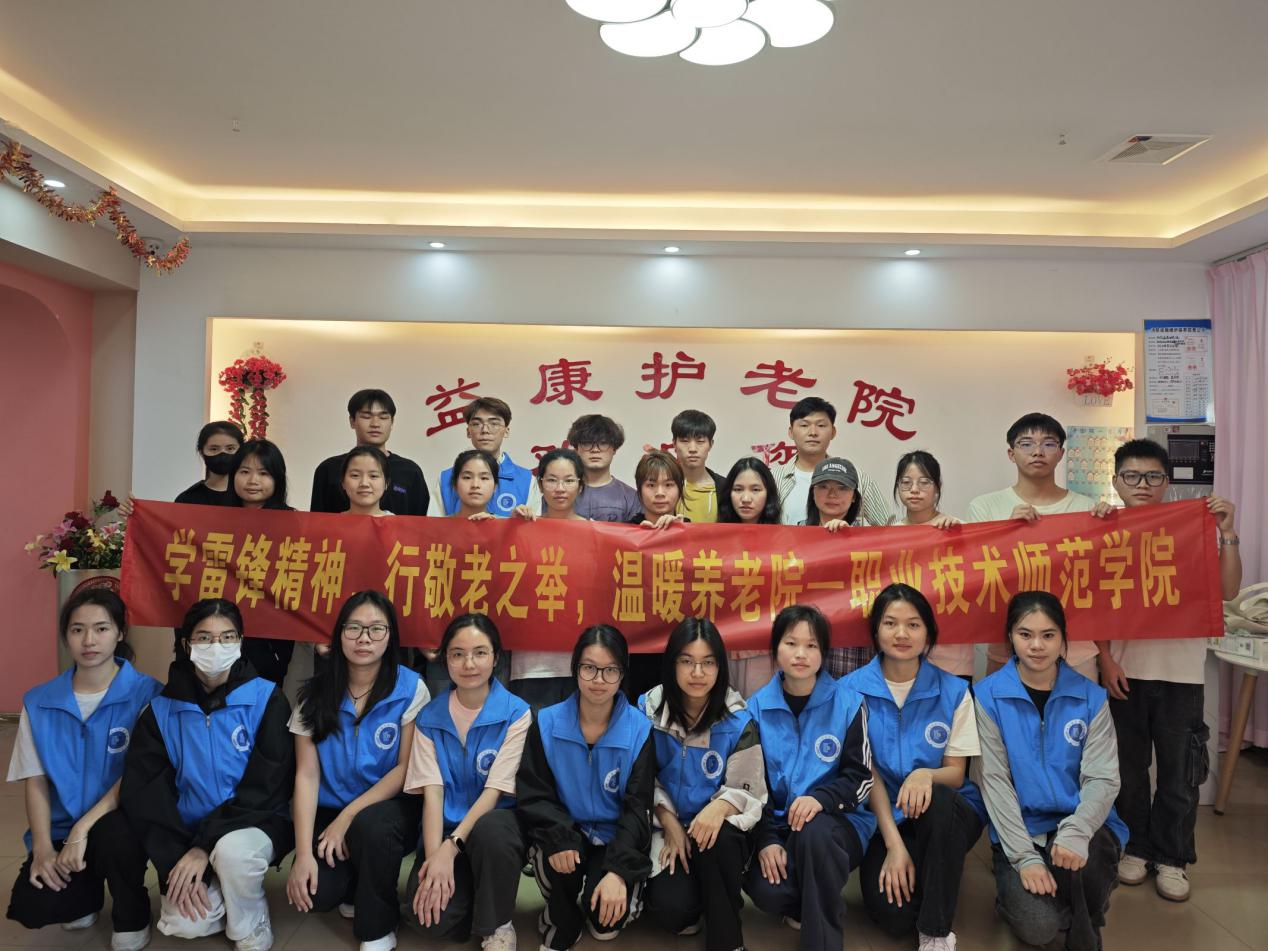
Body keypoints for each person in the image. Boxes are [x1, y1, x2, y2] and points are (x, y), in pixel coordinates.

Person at [1093, 439, 1241, 901]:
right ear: (1116, 481)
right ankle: (1136, 847)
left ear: (1167, 482)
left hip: (1182, 675)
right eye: (1132, 476)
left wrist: (1227, 532)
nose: (1143, 484)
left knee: (1180, 775)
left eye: (1153, 476)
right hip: (1125, 672)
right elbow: (1093, 602)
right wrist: (1106, 658)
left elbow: (1229, 591)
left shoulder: (1191, 529)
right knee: (1130, 770)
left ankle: (1174, 857)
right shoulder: (1106, 530)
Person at [120, 598, 294, 951]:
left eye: (228, 637)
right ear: (187, 644)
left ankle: (250, 919)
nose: (217, 647)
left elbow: (268, 785)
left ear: (241, 642)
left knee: (232, 853)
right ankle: (222, 893)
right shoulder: (161, 710)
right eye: (204, 638)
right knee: (183, 924)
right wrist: (175, 859)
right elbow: (147, 794)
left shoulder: (266, 698)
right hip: (188, 833)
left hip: (256, 822)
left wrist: (205, 846)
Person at [5, 589, 162, 951]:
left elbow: (137, 775)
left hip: (121, 821)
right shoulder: (40, 701)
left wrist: (83, 827)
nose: (89, 640)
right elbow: (36, 780)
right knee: (34, 907)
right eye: (77, 630)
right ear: (66, 636)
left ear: (120, 633)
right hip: (63, 827)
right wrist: (43, 848)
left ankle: (132, 914)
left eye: (101, 628)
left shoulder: (148, 694)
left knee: (116, 836)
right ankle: (85, 896)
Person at [974, 592, 1126, 951]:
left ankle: (1083, 909)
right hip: (1023, 833)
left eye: (1048, 635)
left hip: (1082, 826)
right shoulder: (987, 696)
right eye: (1025, 634)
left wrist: (1077, 830)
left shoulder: (1091, 697)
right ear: (1010, 638)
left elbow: (1102, 778)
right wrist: (1024, 857)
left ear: (1063, 639)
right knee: (1039, 928)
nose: (1037, 646)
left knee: (1091, 856)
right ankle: (1044, 897)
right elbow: (994, 783)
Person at [844, 584, 986, 951]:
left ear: (928, 634)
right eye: (890, 623)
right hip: (884, 817)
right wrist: (894, 846)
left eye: (913, 624)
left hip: (946, 812)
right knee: (894, 918)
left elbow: (956, 774)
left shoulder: (954, 691)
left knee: (939, 798)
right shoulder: (849, 692)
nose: (902, 634)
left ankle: (936, 932)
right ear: (876, 631)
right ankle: (932, 873)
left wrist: (925, 774)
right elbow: (866, 774)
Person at [286, 591, 428, 951]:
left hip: (389, 808)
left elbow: (404, 769)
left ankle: (379, 926)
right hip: (330, 808)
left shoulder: (411, 688)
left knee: (372, 827)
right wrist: (303, 855)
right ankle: (355, 883)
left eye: (376, 629)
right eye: (354, 628)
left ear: (391, 636)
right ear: (339, 635)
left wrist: (348, 816)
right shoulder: (313, 696)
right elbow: (306, 776)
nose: (364, 638)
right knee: (316, 893)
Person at [515, 625, 655, 950]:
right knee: (559, 868)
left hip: (614, 835)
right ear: (575, 668)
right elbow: (535, 793)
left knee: (606, 923)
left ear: (622, 674)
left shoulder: (639, 729)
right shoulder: (547, 722)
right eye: (589, 668)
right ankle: (559, 918)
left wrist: (618, 871)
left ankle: (607, 894)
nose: (598, 680)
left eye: (610, 670)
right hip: (567, 828)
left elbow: (638, 807)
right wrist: (560, 836)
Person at [744, 605, 875, 951]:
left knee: (814, 832)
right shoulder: (755, 709)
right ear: (776, 649)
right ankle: (816, 895)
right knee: (767, 892)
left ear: (824, 652)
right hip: (780, 828)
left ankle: (823, 942)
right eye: (791, 643)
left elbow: (861, 778)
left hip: (838, 827)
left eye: (811, 645)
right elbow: (752, 786)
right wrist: (767, 839)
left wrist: (821, 799)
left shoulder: (849, 703)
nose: (800, 654)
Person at [637, 619, 766, 951]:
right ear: (672, 664)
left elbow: (749, 785)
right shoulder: (648, 711)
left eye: (708, 662)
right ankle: (701, 900)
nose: (698, 673)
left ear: (720, 667)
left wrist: (718, 807)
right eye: (687, 661)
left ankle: (728, 940)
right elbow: (640, 779)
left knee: (720, 839)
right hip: (664, 825)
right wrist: (668, 821)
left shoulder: (738, 719)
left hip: (716, 832)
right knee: (672, 909)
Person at [407, 614, 532, 951]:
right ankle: (472, 899)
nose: (469, 664)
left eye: (480, 653)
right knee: (431, 921)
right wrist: (434, 859)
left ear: (496, 657)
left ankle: (498, 923)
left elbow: (494, 792)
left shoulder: (517, 713)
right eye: (458, 654)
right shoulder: (429, 717)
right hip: (446, 828)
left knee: (492, 831)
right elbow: (433, 794)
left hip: (496, 829)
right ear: (445, 659)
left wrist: (452, 847)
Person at [967, 413, 1100, 679]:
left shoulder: (1087, 509)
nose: (1038, 452)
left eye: (1048, 444)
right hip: (1008, 647)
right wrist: (1006, 533)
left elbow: (1100, 578)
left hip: (1076, 649)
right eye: (1026, 444)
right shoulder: (985, 507)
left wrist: (1114, 524)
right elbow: (975, 576)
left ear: (1061, 453)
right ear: (1011, 453)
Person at [509, 448, 589, 712]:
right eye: (552, 480)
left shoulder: (596, 532)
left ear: (580, 485)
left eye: (569, 480)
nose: (560, 488)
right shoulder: (523, 528)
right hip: (532, 664)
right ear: (540, 484)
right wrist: (508, 528)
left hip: (583, 661)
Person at [891, 451, 972, 680]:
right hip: (903, 651)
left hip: (951, 657)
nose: (914, 490)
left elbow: (979, 583)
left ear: (938, 487)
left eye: (924, 482)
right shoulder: (889, 536)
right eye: (906, 483)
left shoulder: (957, 528)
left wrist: (960, 538)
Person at [228, 439, 296, 689]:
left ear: (277, 479)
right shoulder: (214, 520)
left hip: (271, 634)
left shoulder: (293, 522)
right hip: (224, 627)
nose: (253, 480)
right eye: (244, 471)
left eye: (264, 473)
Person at [803, 458, 874, 678]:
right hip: (804, 641)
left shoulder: (871, 539)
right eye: (824, 486)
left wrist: (848, 538)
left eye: (842, 488)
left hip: (851, 648)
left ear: (854, 496)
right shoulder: (794, 536)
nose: (832, 494)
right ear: (813, 493)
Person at [772, 397, 891, 527]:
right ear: (791, 432)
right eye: (804, 425)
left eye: (821, 425)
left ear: (833, 432)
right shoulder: (773, 479)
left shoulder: (857, 477)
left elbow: (891, 527)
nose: (813, 432)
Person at [718, 457, 783, 696]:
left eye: (755, 490)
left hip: (764, 648)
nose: (746, 498)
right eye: (738, 489)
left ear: (768, 494)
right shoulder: (712, 538)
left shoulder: (786, 540)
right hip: (723, 645)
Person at [310, 389, 429, 516]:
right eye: (366, 416)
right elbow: (317, 522)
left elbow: (422, 523)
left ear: (392, 422)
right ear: (352, 421)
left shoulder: (410, 471)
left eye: (383, 417)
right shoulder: (329, 469)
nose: (375, 424)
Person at [436, 398, 541, 517]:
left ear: (506, 431)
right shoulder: (446, 478)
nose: (485, 430)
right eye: (476, 424)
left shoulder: (527, 480)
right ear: (468, 431)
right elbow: (432, 526)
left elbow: (535, 527)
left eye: (494, 424)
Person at [567, 414, 641, 523]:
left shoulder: (631, 497)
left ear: (614, 449)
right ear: (576, 448)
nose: (595, 450)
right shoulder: (561, 493)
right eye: (587, 443)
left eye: (603, 443)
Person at [670, 409, 726, 524]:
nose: (692, 449)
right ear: (674, 444)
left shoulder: (725, 488)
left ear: (711, 444)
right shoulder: (663, 486)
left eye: (700, 441)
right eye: (685, 441)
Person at [176, 420, 244, 506]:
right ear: (202, 453)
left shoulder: (249, 497)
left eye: (230, 448)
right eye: (214, 449)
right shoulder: (187, 499)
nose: (223, 454)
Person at [447, 449, 501, 522]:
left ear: (495, 486)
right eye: (467, 477)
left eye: (484, 478)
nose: (475, 485)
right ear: (455, 484)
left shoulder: (505, 525)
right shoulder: (439, 526)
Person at [341, 445, 394, 518]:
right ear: (343, 482)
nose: (364, 483)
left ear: (386, 483)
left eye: (373, 476)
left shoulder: (397, 523)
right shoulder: (332, 523)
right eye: (355, 475)